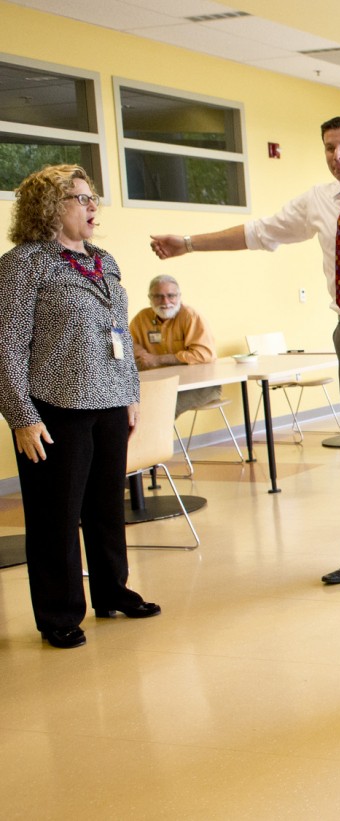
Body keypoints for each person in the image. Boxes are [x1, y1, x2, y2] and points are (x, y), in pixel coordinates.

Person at [148, 116, 340, 588]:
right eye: (330, 149)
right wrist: (188, 245)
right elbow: (258, 232)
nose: (338, 157)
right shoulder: (318, 202)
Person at [0, 164, 160, 650]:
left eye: (93, 199)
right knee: (56, 515)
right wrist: (21, 416)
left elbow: (120, 332)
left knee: (106, 507)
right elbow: (5, 346)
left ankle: (113, 590)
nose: (93, 207)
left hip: (110, 401)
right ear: (49, 207)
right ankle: (59, 613)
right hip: (54, 407)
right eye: (80, 198)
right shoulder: (23, 263)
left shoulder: (103, 259)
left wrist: (130, 392)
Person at [129, 274, 222, 415]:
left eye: (171, 295)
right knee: (131, 407)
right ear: (150, 298)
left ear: (179, 296)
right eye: (158, 296)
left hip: (200, 385)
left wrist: (158, 359)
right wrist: (140, 353)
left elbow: (205, 355)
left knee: (160, 408)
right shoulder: (141, 318)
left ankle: (158, 437)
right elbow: (128, 344)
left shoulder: (190, 316)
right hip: (161, 384)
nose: (165, 301)